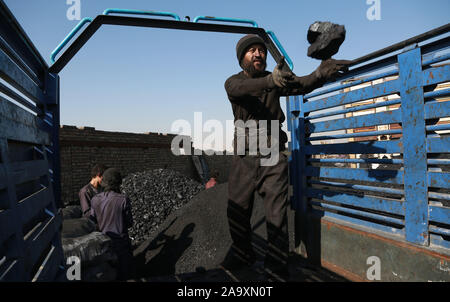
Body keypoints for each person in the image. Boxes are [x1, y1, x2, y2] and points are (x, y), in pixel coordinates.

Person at [221, 34, 350, 280]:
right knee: (236, 210)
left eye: (261, 50)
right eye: (252, 51)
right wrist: (272, 80)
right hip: (244, 157)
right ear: (242, 59)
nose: (258, 54)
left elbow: (300, 84)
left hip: (272, 154)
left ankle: (277, 264)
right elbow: (241, 89)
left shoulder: (276, 80)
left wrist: (320, 73)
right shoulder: (233, 82)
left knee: (276, 214)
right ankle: (242, 254)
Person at [90, 168, 134, 280]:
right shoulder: (123, 200)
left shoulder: (95, 200)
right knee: (124, 275)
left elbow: (92, 221)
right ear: (118, 183)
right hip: (121, 246)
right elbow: (129, 223)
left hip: (103, 245)